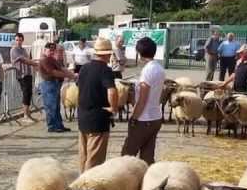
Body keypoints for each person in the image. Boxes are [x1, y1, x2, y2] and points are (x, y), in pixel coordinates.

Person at [76, 38, 120, 172]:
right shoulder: (105, 70)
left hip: (83, 115)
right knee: (95, 158)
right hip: (98, 117)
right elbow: (112, 91)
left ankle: (81, 182)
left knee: (84, 155)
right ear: (107, 54)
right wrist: (113, 108)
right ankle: (88, 187)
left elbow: (80, 86)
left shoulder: (84, 68)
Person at [120, 37, 164, 164]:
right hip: (156, 117)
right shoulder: (160, 69)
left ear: (140, 54)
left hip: (144, 119)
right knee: (147, 155)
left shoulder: (147, 70)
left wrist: (134, 117)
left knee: (127, 155)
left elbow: (142, 99)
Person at [37, 41, 72, 133]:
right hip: (48, 84)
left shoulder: (51, 59)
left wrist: (71, 74)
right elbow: (53, 72)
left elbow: (61, 68)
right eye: (50, 50)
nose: (52, 52)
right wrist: (69, 75)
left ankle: (59, 125)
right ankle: (52, 126)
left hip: (54, 84)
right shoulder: (44, 60)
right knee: (50, 106)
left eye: (53, 50)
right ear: (44, 50)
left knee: (56, 106)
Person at [9, 33, 38, 122]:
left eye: (20, 40)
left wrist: (35, 62)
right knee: (25, 93)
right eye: (17, 40)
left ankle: (28, 114)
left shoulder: (24, 49)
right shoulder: (14, 50)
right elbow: (22, 59)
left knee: (29, 93)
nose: (18, 42)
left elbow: (28, 59)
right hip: (21, 74)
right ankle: (25, 115)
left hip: (28, 73)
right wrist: (36, 64)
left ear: (22, 40)